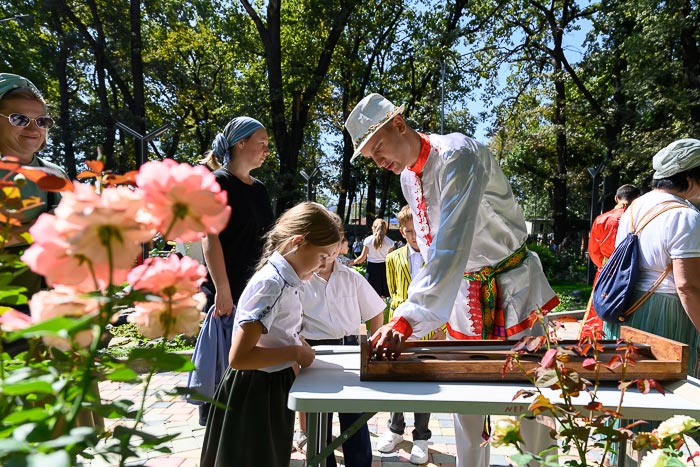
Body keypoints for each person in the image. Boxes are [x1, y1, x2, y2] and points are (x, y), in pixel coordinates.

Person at [345, 93, 559, 467]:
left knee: (533, 403)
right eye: (370, 157)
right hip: (463, 295)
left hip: (514, 288)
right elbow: (430, 253)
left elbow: (450, 244)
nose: (379, 162)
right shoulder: (409, 180)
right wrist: (413, 313)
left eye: (378, 147)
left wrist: (408, 318)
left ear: (399, 123)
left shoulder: (458, 155)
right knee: (466, 403)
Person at [200, 202, 341, 467]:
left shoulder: (287, 281)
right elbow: (239, 357)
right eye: (323, 257)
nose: (323, 266)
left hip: (271, 386)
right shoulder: (271, 284)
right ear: (298, 242)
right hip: (255, 392)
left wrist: (296, 343)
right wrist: (295, 352)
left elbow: (279, 330)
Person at [187, 116, 275, 425]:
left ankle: (245, 437)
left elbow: (267, 242)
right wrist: (222, 290)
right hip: (228, 291)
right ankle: (219, 444)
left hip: (257, 292)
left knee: (249, 369)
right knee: (223, 373)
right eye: (261, 143)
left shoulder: (261, 190)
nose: (266, 150)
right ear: (241, 143)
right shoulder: (217, 183)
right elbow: (210, 239)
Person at [604, 139, 700, 376]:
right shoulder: (685, 215)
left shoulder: (635, 207)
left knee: (629, 387)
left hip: (625, 305)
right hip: (667, 313)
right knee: (667, 389)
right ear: (689, 176)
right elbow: (687, 286)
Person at [298, 222, 385, 467]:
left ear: (339, 245)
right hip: (316, 353)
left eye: (334, 245)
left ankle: (359, 463)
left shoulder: (351, 277)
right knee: (319, 421)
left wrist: (373, 345)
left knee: (354, 416)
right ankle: (322, 462)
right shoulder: (301, 280)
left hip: (349, 349)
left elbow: (375, 311)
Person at [379, 205, 445, 464]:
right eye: (406, 231)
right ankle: (395, 429)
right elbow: (394, 292)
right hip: (398, 327)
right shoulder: (392, 258)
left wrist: (442, 326)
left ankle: (421, 437)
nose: (412, 235)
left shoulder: (438, 258)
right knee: (396, 377)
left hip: (429, 328)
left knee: (424, 381)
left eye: (416, 229)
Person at [0, 73, 69, 311]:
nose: (33, 128)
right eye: (19, 119)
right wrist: (43, 227)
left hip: (46, 305)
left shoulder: (55, 174)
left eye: (42, 121)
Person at [580, 184, 641, 338]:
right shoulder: (641, 219)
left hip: (607, 270)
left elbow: (594, 251)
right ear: (638, 199)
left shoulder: (602, 219)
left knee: (599, 308)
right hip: (634, 270)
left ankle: (594, 343)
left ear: (616, 198)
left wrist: (604, 265)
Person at [350, 218, 394, 296]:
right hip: (384, 269)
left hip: (371, 269)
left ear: (373, 228)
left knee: (371, 295)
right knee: (382, 296)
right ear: (385, 229)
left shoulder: (368, 240)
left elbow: (362, 258)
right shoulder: (390, 242)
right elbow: (391, 260)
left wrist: (352, 262)